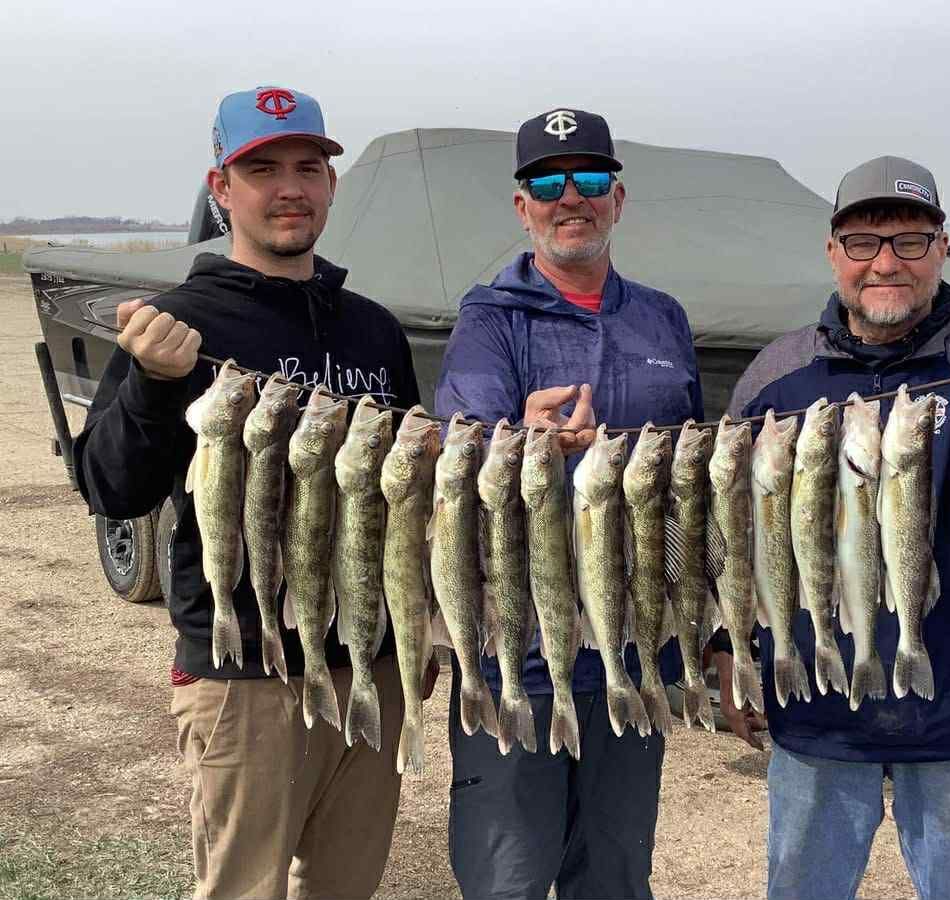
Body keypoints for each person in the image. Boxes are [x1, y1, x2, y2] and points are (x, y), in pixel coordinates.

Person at [74, 86, 431, 899]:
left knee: (346, 885)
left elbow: (409, 504)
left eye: (309, 166)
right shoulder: (178, 321)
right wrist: (154, 387)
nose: (290, 187)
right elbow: (109, 486)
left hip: (370, 668)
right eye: (261, 168)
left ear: (332, 186)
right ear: (221, 187)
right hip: (248, 674)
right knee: (244, 888)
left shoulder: (374, 328)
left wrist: (419, 633)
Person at [724, 155, 950, 900]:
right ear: (834, 254)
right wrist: (726, 652)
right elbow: (732, 535)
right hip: (817, 705)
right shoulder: (776, 374)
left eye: (910, 240)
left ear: (941, 248)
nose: (886, 262)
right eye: (864, 242)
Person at [434, 107, 705, 899]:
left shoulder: (664, 317)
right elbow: (465, 445)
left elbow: (693, 483)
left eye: (588, 179)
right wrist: (520, 436)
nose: (569, 198)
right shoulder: (489, 318)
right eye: (547, 183)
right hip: (516, 646)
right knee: (507, 876)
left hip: (634, 649)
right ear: (523, 207)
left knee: (617, 874)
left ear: (617, 199)